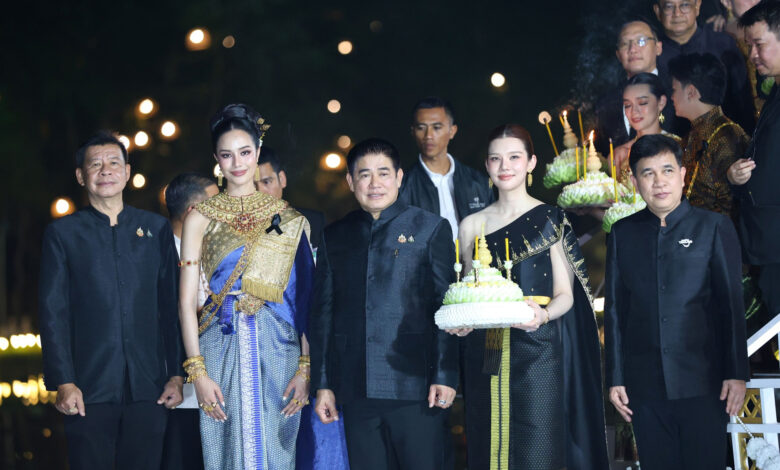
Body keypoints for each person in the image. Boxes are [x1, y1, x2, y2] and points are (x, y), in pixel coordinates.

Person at [451, 125, 609, 470]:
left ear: (531, 163)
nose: (504, 166)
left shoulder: (552, 218)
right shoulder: (470, 225)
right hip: (485, 350)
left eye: (514, 157)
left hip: (538, 348)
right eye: (496, 158)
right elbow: (466, 293)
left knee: (537, 446)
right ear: (487, 165)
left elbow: (566, 295)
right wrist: (460, 322)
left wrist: (544, 316)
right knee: (488, 442)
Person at [178, 104, 314, 469]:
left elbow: (302, 299)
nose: (237, 163)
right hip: (219, 345)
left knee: (277, 449)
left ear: (257, 152)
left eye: (245, 152)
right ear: (216, 160)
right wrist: (198, 372)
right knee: (225, 450)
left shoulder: (287, 220)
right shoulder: (200, 218)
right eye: (227, 155)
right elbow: (186, 301)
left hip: (279, 347)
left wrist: (305, 368)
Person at [310, 138, 459, 470]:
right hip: (354, 385)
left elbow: (447, 306)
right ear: (350, 182)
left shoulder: (430, 228)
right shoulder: (335, 235)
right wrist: (323, 385)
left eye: (383, 173)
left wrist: (445, 374)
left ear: (399, 177)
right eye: (364, 175)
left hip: (416, 386)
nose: (374, 183)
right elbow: (322, 315)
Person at [38, 131, 184, 469]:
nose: (106, 170)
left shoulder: (155, 229)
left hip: (150, 385)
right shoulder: (62, 234)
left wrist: (176, 375)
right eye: (96, 164)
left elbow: (170, 307)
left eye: (114, 163)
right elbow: (53, 312)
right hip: (87, 387)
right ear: (81, 175)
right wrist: (64, 381)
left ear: (127, 172)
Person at [605, 134, 748, 469]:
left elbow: (731, 304)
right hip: (644, 386)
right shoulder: (622, 234)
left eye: (667, 170)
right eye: (648, 173)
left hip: (705, 382)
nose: (659, 182)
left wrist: (736, 372)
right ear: (635, 180)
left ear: (683, 174)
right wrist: (616, 377)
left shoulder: (713, 227)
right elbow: (614, 311)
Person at [161, 172, 218, 470]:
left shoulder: (220, 251)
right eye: (215, 205)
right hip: (177, 390)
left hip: (220, 384)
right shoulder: (158, 256)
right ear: (192, 212)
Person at [728, 1, 780, 317]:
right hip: (767, 247)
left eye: (759, 44)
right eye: (750, 46)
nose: (752, 55)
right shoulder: (773, 94)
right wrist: (737, 176)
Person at [654, 0, 756, 135]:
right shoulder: (652, 53)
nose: (677, 13)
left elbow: (743, 102)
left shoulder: (722, 44)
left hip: (724, 141)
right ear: (657, 11)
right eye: (669, 6)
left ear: (697, 6)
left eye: (684, 5)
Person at [668, 52, 749, 218]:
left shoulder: (727, 137)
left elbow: (731, 206)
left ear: (691, 92)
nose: (671, 97)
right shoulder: (694, 134)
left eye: (674, 90)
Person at [400, 96, 493, 240]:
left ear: (452, 131)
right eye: (421, 128)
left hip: (475, 261)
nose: (428, 136)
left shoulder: (479, 182)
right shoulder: (403, 187)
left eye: (436, 127)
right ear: (413, 131)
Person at [596, 20, 675, 153]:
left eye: (641, 41)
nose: (632, 49)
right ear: (618, 55)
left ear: (658, 47)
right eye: (625, 44)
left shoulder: (676, 92)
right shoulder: (605, 104)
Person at [256, 146, 326, 260]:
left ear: (282, 179)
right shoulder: (237, 230)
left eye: (266, 182)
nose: (260, 191)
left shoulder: (313, 221)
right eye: (251, 185)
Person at [614, 72, 681, 187]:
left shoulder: (679, 146)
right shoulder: (620, 155)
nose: (634, 111)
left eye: (642, 103)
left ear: (661, 102)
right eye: (628, 105)